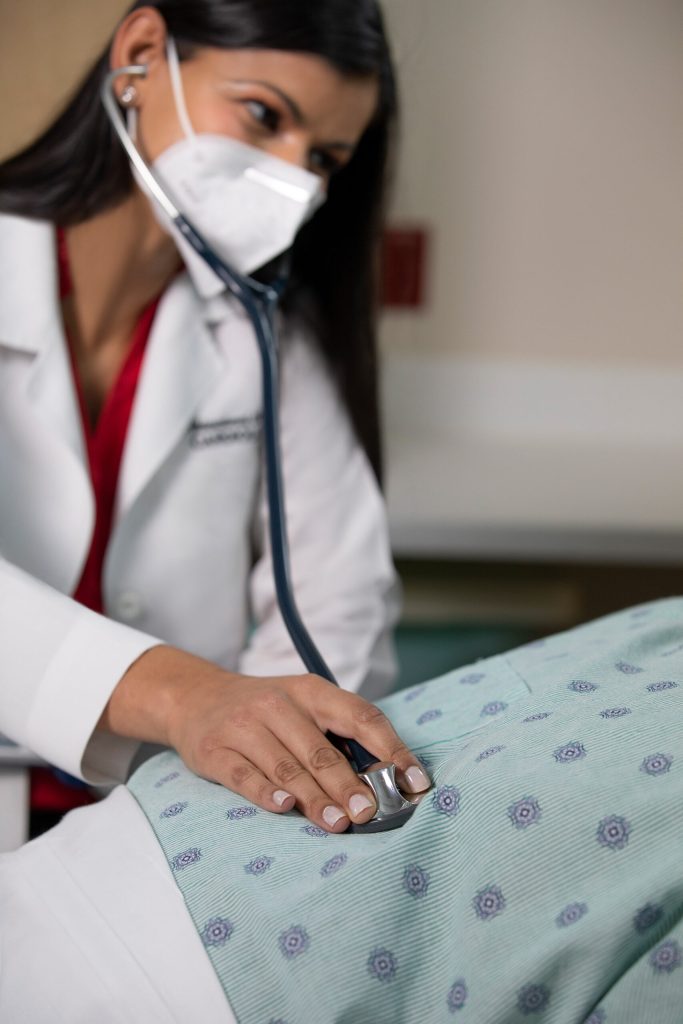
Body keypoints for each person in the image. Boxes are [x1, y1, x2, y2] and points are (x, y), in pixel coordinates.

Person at [0, 0, 434, 838]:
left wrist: (282, 777)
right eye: (264, 115)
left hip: (170, 816)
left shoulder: (271, 336)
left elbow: (340, 603)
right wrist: (182, 694)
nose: (292, 177)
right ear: (141, 53)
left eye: (324, 157)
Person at [2, 597, 682, 1021]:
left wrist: (297, 748)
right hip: (108, 869)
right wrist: (183, 697)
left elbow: (336, 596)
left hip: (161, 878)